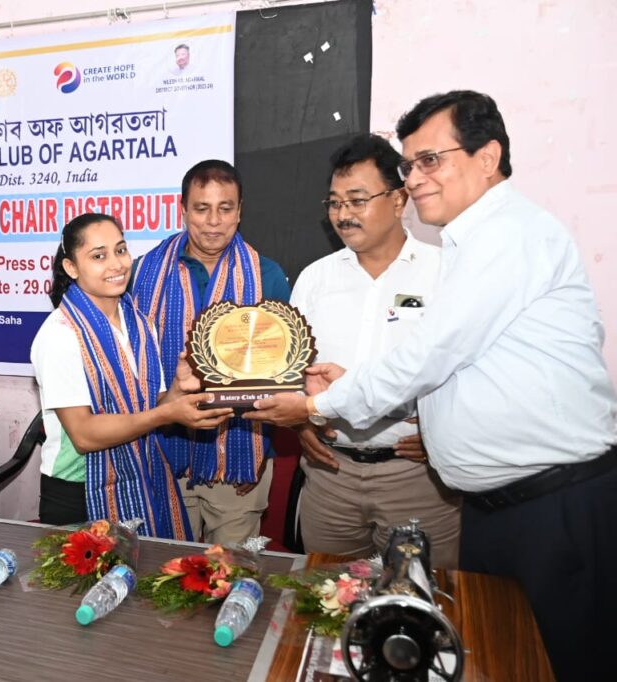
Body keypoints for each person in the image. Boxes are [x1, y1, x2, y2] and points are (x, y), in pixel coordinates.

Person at [244, 91, 616, 680]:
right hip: (496, 506)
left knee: (551, 660)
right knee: (491, 655)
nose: (415, 178)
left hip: (549, 506)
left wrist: (316, 404)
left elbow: (428, 356)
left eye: (430, 161)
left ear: (487, 157)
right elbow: (457, 366)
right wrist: (340, 391)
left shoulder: (508, 237)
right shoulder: (470, 244)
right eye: (410, 163)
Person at [291, 134, 460, 567]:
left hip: (416, 479)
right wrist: (301, 423)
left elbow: (470, 371)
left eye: (357, 200)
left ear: (399, 199)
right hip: (331, 476)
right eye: (334, 203)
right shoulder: (315, 279)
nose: (343, 214)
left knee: (422, 598)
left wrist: (444, 436)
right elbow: (292, 371)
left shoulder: (445, 272)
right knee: (324, 595)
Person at [30, 212, 233, 539]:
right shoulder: (60, 334)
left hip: (141, 477)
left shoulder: (139, 324)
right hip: (79, 492)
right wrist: (166, 413)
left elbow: (150, 408)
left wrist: (177, 390)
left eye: (121, 250)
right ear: (71, 267)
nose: (116, 264)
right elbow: (84, 435)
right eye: (98, 256)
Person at [131, 159, 291, 545]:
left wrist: (258, 453)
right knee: (166, 569)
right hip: (163, 456)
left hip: (236, 457)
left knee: (230, 572)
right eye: (202, 208)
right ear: (183, 209)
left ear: (240, 211)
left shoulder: (266, 275)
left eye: (225, 208)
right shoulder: (141, 273)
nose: (214, 222)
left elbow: (280, 373)